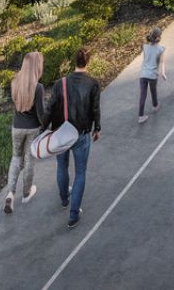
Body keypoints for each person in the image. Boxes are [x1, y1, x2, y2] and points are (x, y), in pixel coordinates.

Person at [48, 46, 102, 229]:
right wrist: (98, 128)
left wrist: (43, 131)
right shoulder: (93, 84)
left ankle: (64, 199)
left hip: (61, 133)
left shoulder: (59, 83)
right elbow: (95, 109)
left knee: (61, 166)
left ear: (74, 61)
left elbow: (49, 108)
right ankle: (73, 214)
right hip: (81, 133)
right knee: (80, 173)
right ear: (89, 61)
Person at [4, 51, 45, 215]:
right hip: (32, 128)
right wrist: (47, 128)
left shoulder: (14, 82)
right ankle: (26, 193)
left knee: (15, 158)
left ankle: (10, 194)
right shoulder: (38, 87)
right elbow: (41, 113)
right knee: (29, 160)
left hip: (17, 127)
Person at [138, 28, 167, 122]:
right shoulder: (161, 49)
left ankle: (140, 116)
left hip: (143, 74)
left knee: (143, 94)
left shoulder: (145, 47)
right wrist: (162, 73)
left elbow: (146, 59)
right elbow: (162, 63)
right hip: (153, 75)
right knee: (153, 91)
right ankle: (155, 106)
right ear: (159, 37)